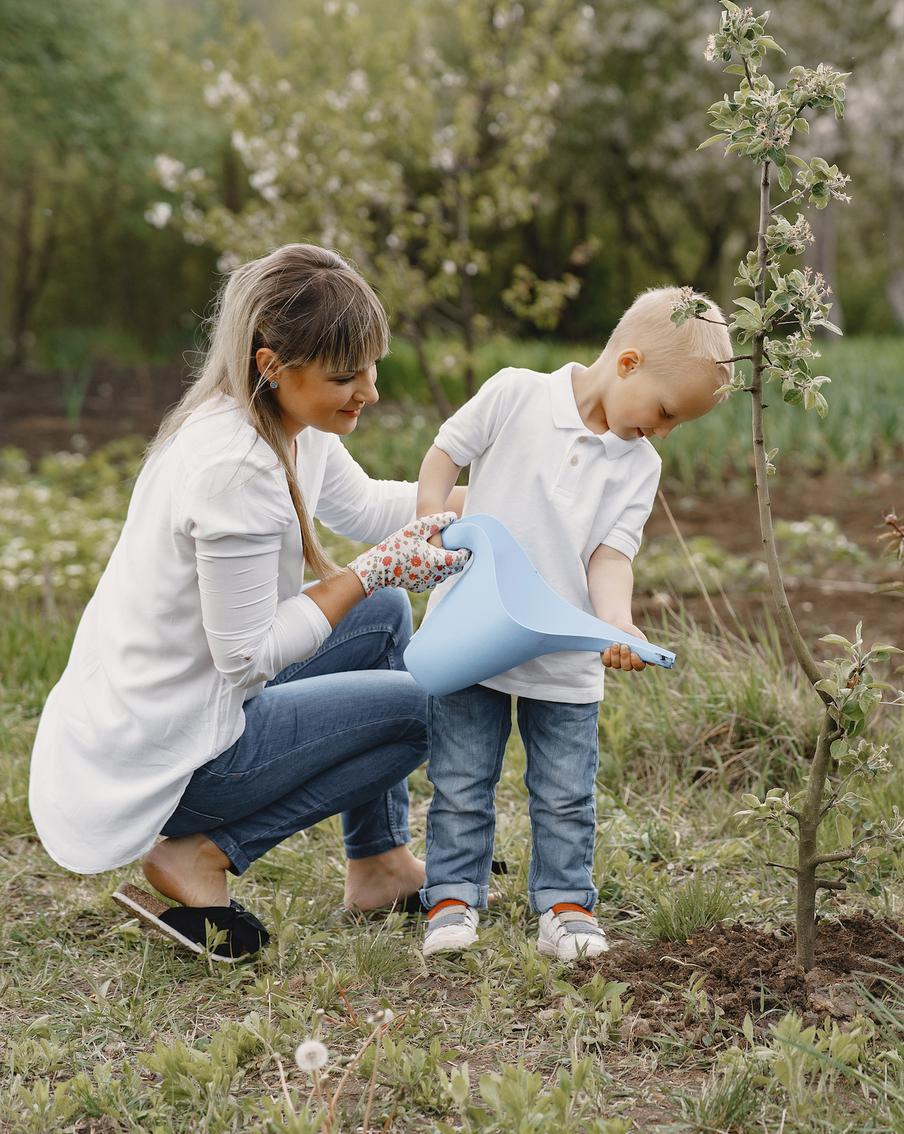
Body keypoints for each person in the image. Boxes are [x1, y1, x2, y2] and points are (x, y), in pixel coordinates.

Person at [28, 243, 469, 962]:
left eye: (372, 367)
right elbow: (247, 654)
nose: (370, 391)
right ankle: (203, 851)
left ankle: (380, 866)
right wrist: (368, 572)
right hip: (165, 758)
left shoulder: (283, 421)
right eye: (345, 375)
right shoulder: (234, 468)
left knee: (384, 616)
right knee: (423, 706)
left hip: (177, 706)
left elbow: (367, 508)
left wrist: (515, 507)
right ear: (272, 364)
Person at [414, 286, 733, 961]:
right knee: (462, 781)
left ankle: (563, 904)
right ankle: (452, 896)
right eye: (666, 412)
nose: (665, 432)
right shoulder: (515, 394)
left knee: (564, 793)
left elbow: (611, 555)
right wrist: (430, 520)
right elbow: (447, 452)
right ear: (628, 362)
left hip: (563, 657)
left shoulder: (639, 466)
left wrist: (616, 621)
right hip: (473, 637)